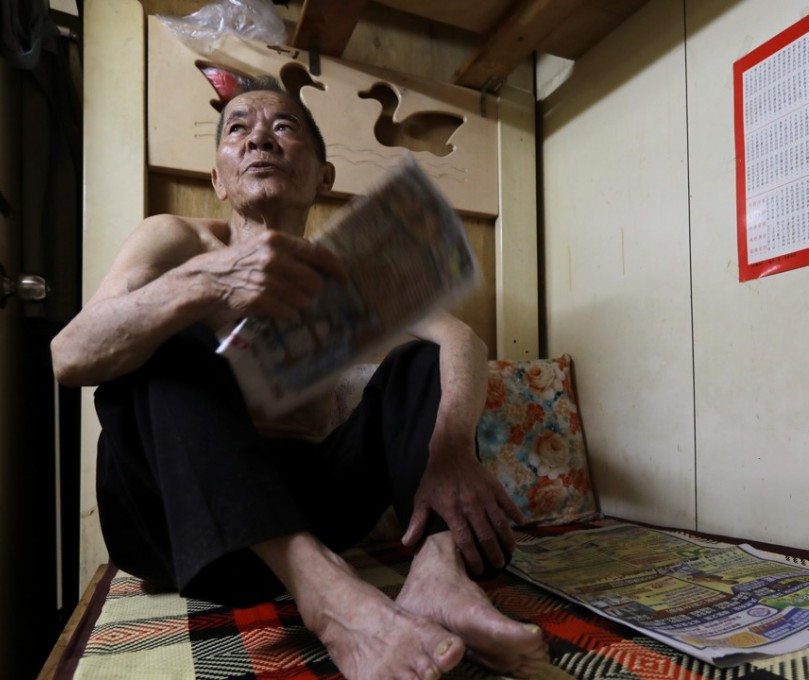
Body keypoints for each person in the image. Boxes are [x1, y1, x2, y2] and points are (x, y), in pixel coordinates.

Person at [51, 76, 548, 680]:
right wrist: (207, 283)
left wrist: (450, 451)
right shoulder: (176, 240)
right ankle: (328, 598)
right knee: (163, 337)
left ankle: (439, 574)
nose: (258, 138)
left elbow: (463, 341)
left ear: (323, 177)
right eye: (238, 129)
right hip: (174, 532)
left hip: (309, 508)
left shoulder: (341, 272)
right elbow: (68, 355)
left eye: (283, 127)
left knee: (417, 363)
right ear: (218, 179)